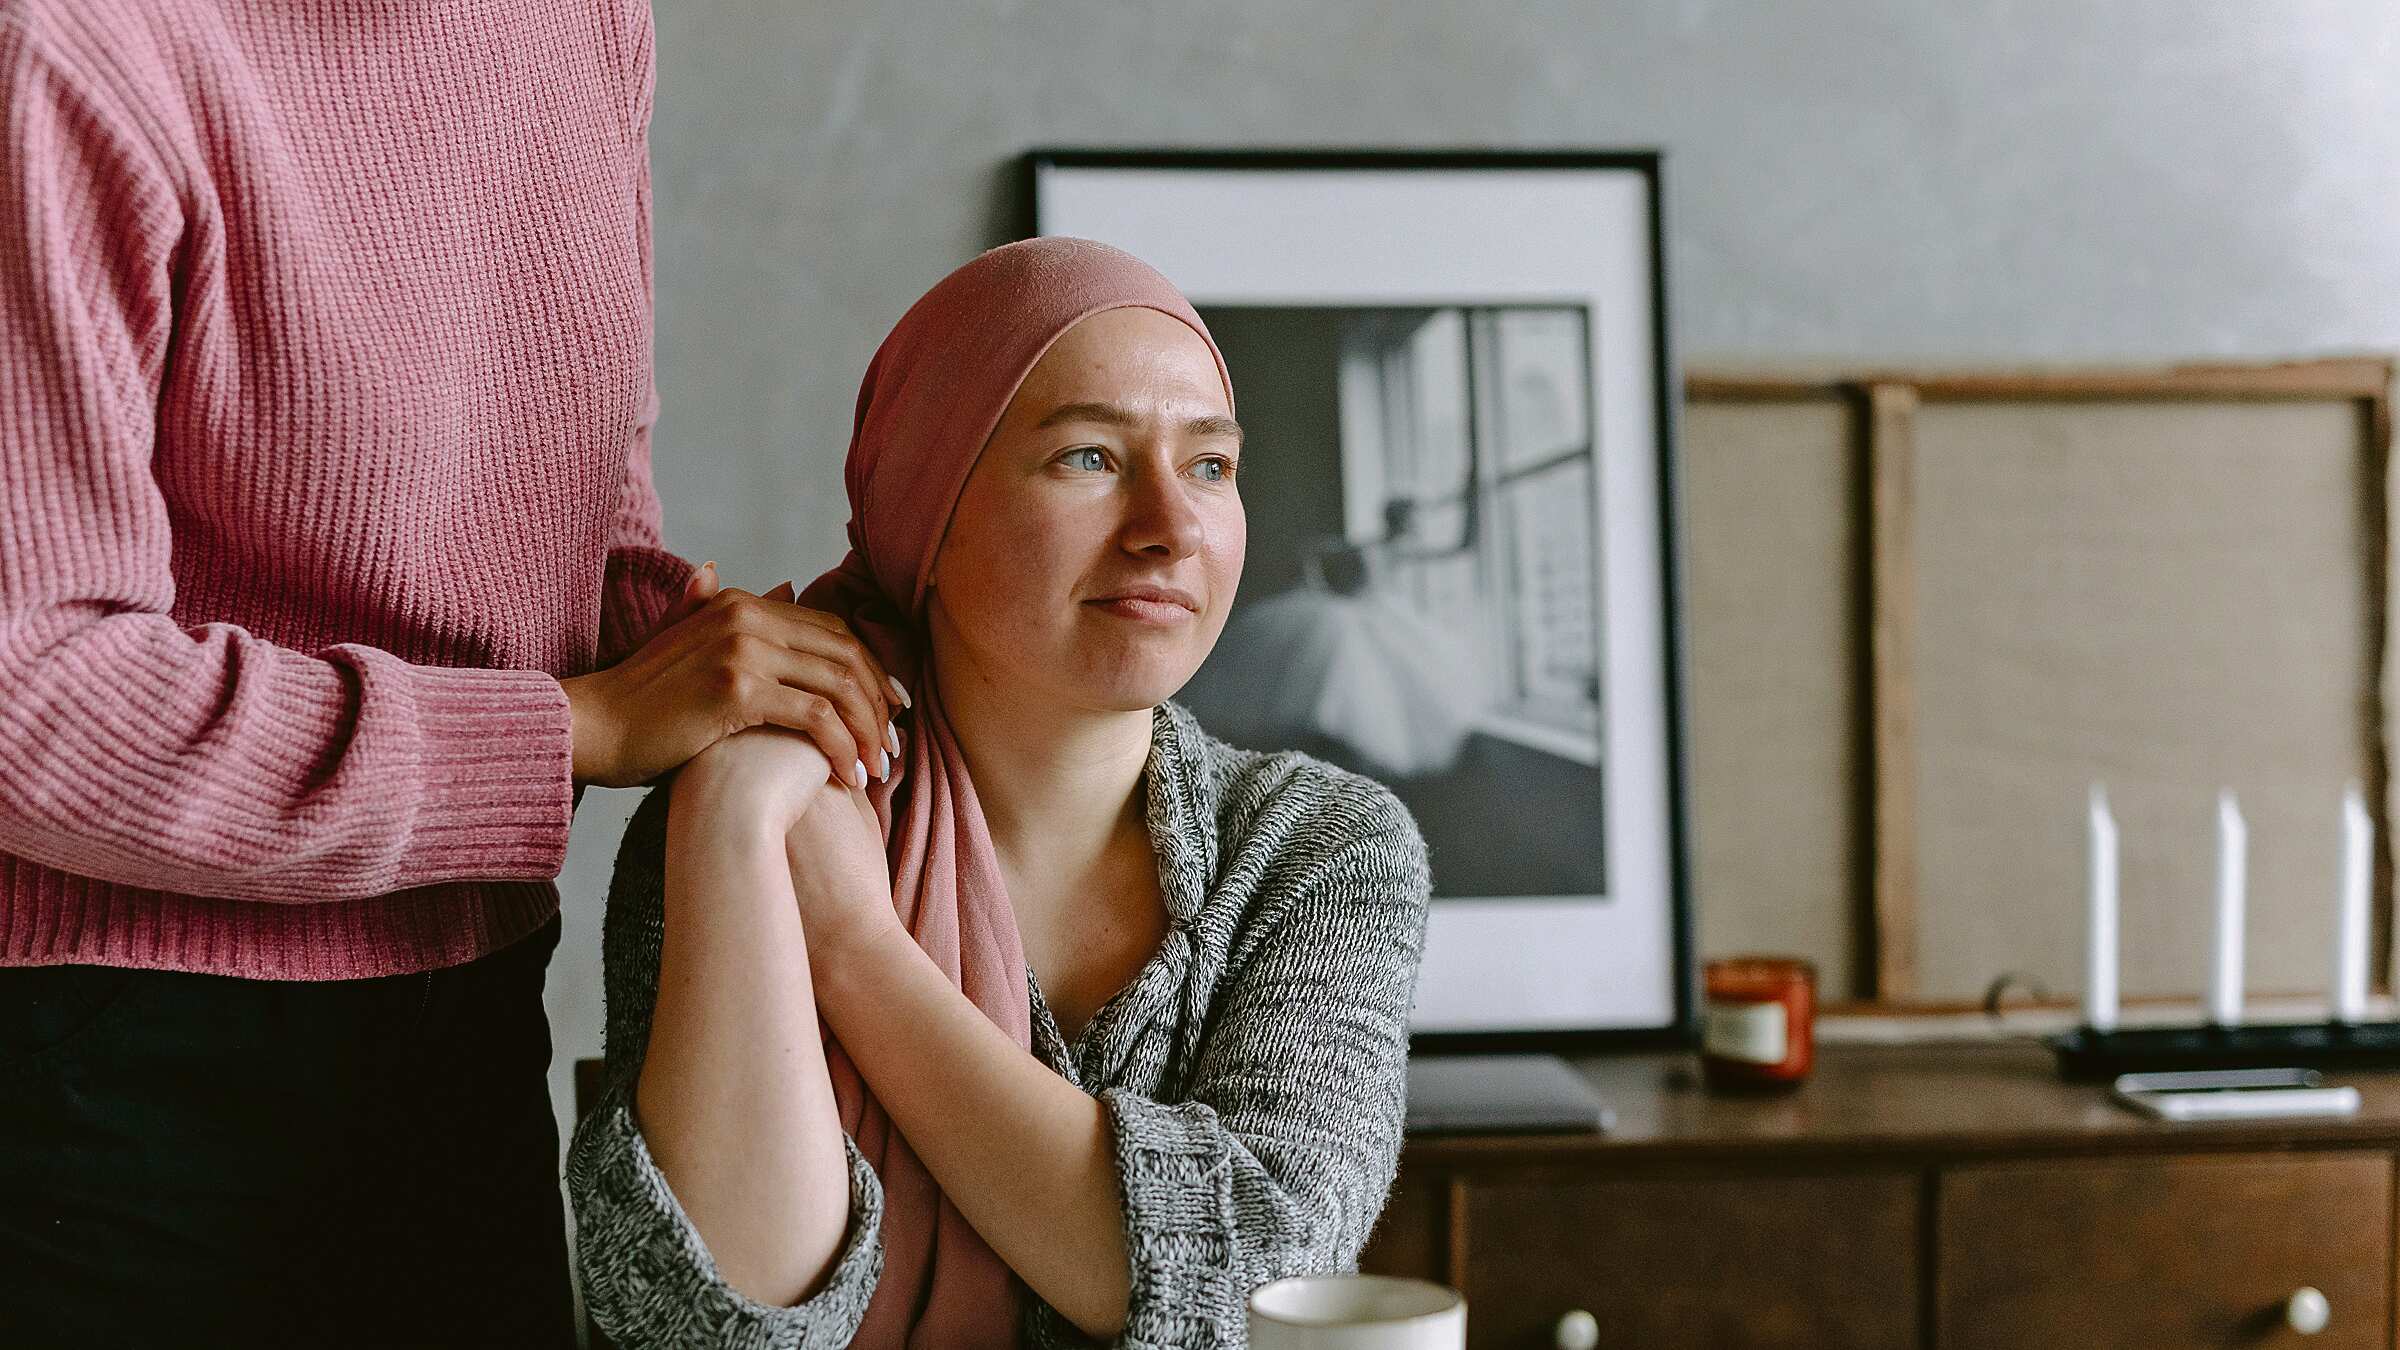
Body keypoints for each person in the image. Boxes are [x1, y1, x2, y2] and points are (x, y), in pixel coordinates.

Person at [0, 3, 899, 1344]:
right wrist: (575, 729)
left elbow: (577, 519)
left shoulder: (585, 24)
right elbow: (36, 699)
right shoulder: (75, 44)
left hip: (470, 1002)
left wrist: (741, 654)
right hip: (115, 1057)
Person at [569, 236, 1436, 1347]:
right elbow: (703, 1329)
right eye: (1090, 457)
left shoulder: (1320, 847)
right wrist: (733, 808)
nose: (1172, 527)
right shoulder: (754, 813)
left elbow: (1256, 1286)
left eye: (1211, 466)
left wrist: (854, 946)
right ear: (927, 511)